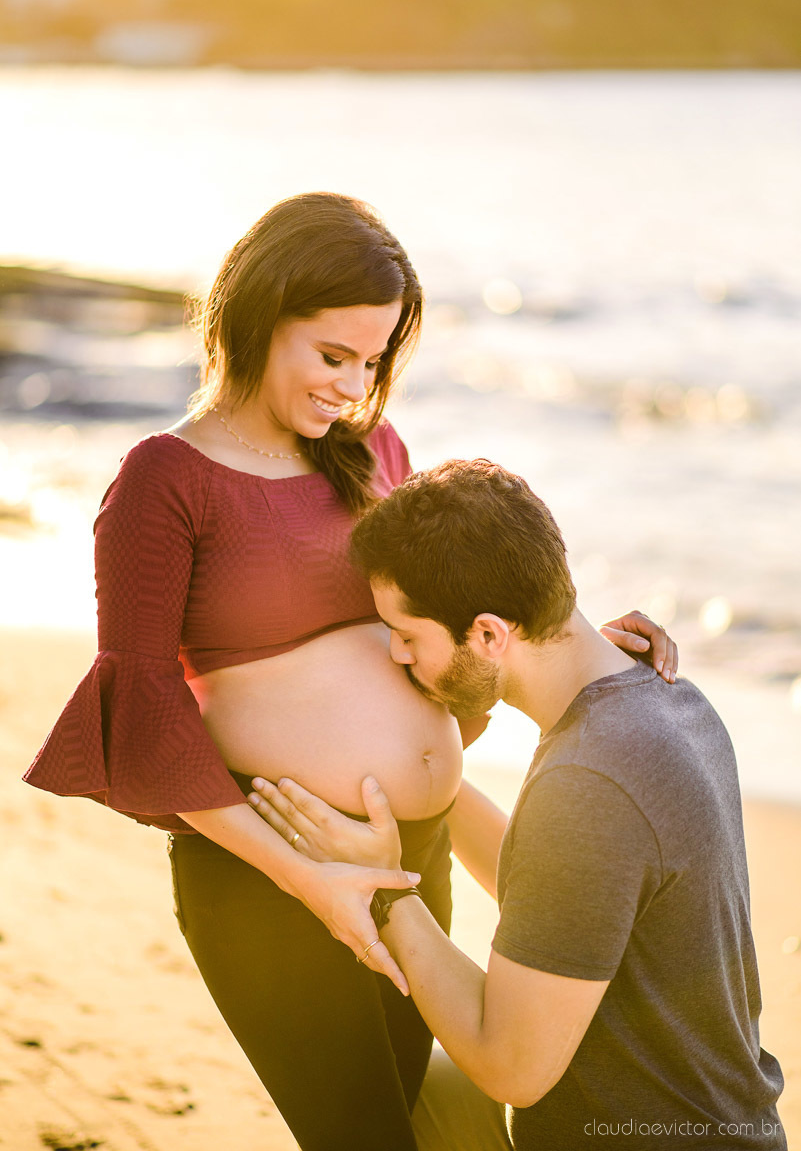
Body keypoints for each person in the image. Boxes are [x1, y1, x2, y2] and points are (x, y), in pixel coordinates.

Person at [23, 195, 676, 1151]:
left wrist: (577, 637)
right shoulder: (164, 479)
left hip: (409, 849)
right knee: (357, 1133)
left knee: (406, 1108)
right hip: (267, 874)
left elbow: (455, 613)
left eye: (372, 362)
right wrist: (304, 876)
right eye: (332, 357)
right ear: (256, 316)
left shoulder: (375, 450)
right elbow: (144, 698)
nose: (352, 386)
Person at [250, 458, 787, 1150]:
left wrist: (385, 891)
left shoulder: (589, 779)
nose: (396, 656)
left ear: (487, 634)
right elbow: (565, 902)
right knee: (420, 1086)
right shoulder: (665, 702)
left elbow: (513, 1068)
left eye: (408, 636)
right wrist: (423, 785)